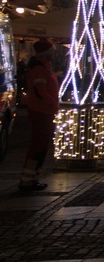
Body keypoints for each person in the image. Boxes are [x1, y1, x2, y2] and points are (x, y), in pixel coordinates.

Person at [19, 39, 60, 191]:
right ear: (46, 52)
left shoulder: (44, 66)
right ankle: (27, 181)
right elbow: (40, 91)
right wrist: (52, 103)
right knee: (38, 145)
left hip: (45, 111)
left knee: (41, 145)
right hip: (41, 111)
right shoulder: (39, 67)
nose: (54, 53)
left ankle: (32, 178)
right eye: (52, 50)